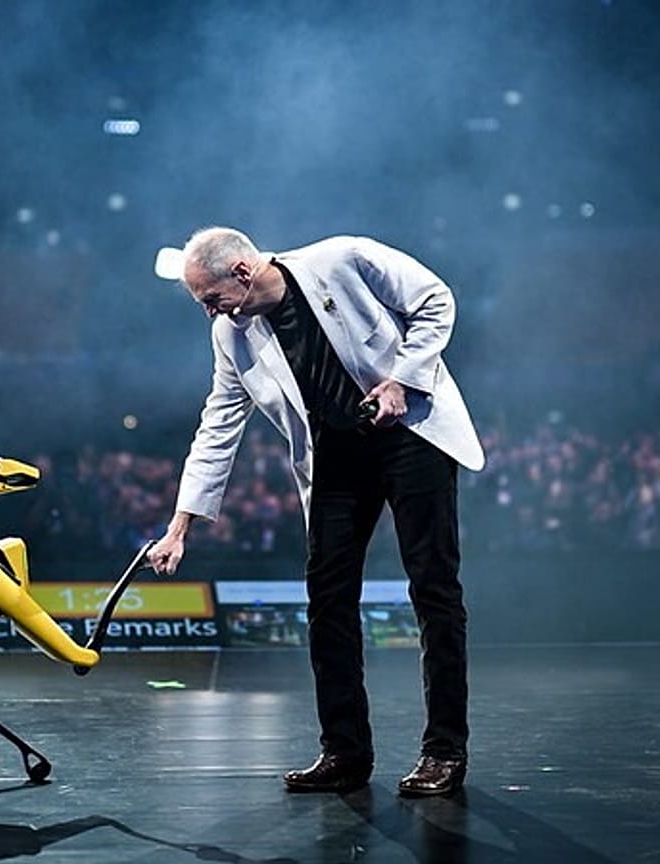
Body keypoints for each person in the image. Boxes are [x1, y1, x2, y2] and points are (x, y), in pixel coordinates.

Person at [147, 227, 485, 797]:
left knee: (433, 588)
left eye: (211, 299)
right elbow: (219, 424)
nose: (210, 314)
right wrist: (181, 525)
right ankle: (345, 751)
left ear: (243, 272)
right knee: (327, 597)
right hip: (335, 456)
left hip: (408, 434)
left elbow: (436, 299)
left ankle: (443, 752)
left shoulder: (341, 259)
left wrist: (403, 378)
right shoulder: (234, 335)